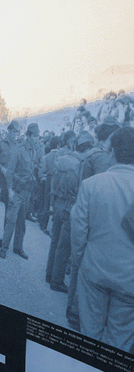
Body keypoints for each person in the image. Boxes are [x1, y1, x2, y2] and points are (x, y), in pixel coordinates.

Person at [71, 127, 134, 351]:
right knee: (119, 346)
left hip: (94, 271)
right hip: (129, 281)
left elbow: (78, 234)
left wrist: (79, 263)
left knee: (89, 336)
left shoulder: (92, 185)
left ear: (112, 152)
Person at [45, 131, 85, 293]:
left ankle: (49, 274)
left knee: (54, 241)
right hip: (70, 206)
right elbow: (79, 189)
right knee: (64, 246)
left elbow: (52, 181)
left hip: (58, 203)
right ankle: (56, 281)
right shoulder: (80, 164)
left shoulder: (61, 159)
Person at [0, 122, 40, 260]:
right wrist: (10, 190)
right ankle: (4, 248)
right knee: (11, 220)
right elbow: (10, 172)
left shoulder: (34, 151)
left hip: (27, 193)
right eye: (34, 136)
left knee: (22, 222)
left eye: (37, 136)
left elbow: (31, 169)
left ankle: (18, 247)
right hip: (17, 192)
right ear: (28, 136)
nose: (36, 138)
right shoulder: (19, 149)